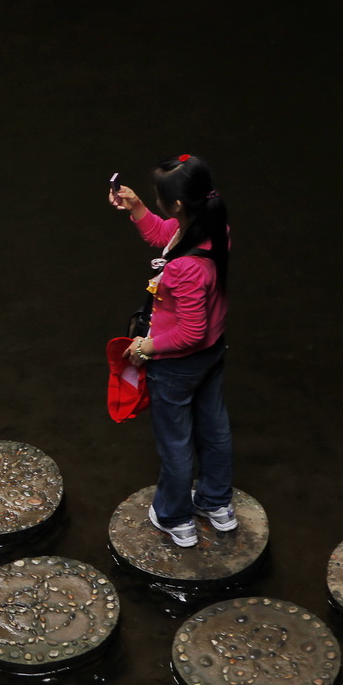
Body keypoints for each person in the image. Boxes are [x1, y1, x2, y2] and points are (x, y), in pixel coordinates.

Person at [110, 154, 234, 548]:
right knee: (215, 431)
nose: (156, 201)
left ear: (178, 204)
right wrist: (137, 209)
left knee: (175, 444)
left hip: (177, 365)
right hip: (213, 353)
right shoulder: (213, 229)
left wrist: (147, 346)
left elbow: (190, 332)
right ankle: (218, 504)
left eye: (157, 197)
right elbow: (168, 236)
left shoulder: (184, 269)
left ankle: (175, 517)